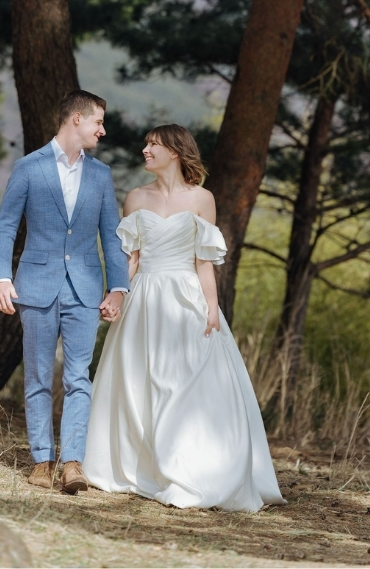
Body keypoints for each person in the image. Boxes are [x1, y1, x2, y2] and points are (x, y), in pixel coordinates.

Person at [83, 124, 284, 510]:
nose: (145, 150)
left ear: (175, 152)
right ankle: (143, 466)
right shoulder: (135, 198)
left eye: (153, 145)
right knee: (139, 382)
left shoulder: (202, 198)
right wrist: (117, 295)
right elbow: (133, 260)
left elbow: (204, 262)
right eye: (145, 144)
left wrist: (211, 307)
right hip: (144, 299)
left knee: (186, 382)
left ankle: (191, 468)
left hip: (185, 297)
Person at [0, 90, 129, 494]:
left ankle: (72, 463)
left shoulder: (101, 175)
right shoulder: (29, 167)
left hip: (85, 289)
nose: (102, 130)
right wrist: (2, 277)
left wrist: (118, 287)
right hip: (34, 287)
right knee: (36, 376)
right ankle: (40, 461)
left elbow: (112, 235)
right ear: (75, 120)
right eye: (98, 122)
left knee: (78, 379)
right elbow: (4, 226)